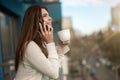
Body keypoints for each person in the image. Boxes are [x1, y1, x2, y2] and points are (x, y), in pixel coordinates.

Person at [14, 5, 70, 80]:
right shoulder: (30, 46)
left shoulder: (41, 44)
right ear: (34, 21)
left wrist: (61, 48)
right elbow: (54, 74)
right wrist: (50, 43)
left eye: (49, 15)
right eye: (45, 16)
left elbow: (54, 68)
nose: (50, 18)